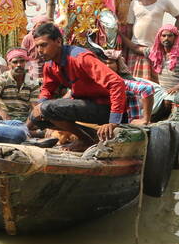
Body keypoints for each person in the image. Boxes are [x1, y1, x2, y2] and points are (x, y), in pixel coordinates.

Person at [28, 21, 128, 151]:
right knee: (37, 117)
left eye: (43, 45)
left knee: (47, 108)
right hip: (85, 106)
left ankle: (86, 140)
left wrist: (113, 121)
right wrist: (39, 106)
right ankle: (90, 135)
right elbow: (47, 88)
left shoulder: (80, 58)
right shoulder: (50, 64)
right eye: (37, 47)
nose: (39, 51)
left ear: (58, 41)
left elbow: (117, 83)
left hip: (106, 108)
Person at [129, 0, 179, 79]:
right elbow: (129, 26)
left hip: (155, 48)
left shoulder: (163, 1)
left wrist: (170, 35)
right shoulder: (134, 3)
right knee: (137, 82)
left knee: (156, 82)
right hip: (136, 47)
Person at [0, 48, 41, 122]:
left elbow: (34, 106)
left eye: (22, 61)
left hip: (25, 119)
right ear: (9, 65)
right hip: (4, 119)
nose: (19, 65)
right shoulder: (2, 79)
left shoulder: (32, 82)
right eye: (15, 62)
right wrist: (4, 115)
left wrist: (27, 125)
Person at [149, 25, 179, 104]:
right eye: (164, 36)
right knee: (144, 96)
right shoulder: (156, 53)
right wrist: (121, 34)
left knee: (167, 101)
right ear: (160, 38)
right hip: (163, 91)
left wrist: (176, 88)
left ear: (175, 38)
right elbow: (135, 48)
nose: (166, 38)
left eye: (170, 36)